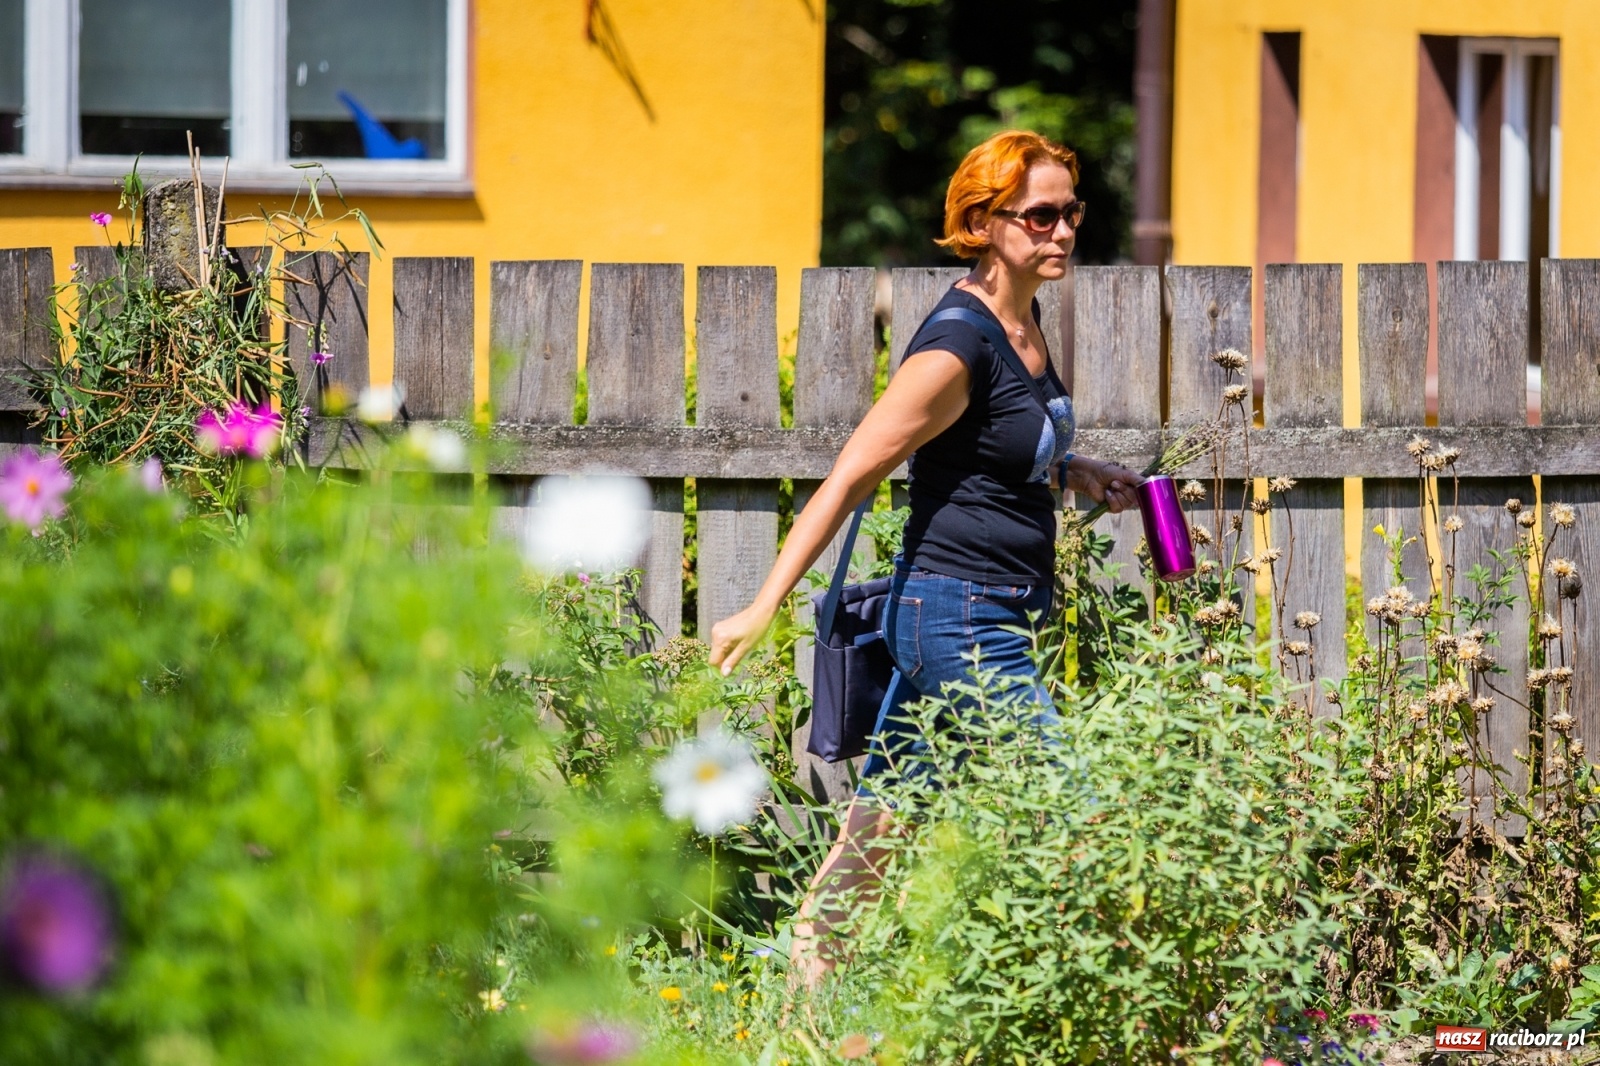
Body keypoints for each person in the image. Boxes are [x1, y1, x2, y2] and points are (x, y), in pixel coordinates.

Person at [707, 129, 1142, 986]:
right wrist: (763, 605)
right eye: (1042, 216)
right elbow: (848, 477)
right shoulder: (956, 344)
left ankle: (798, 1016)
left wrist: (1075, 471)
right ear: (982, 223)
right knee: (1077, 812)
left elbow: (986, 449)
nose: (1063, 233)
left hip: (984, 608)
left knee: (877, 836)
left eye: (1071, 213)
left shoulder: (1023, 318)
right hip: (959, 622)